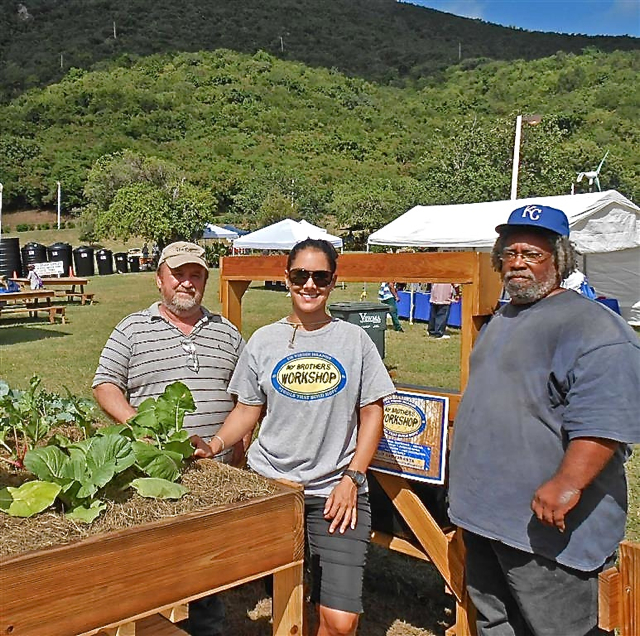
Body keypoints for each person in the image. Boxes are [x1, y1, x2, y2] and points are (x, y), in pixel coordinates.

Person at [448, 204, 640, 636]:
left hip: (545, 531)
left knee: (558, 629)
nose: (517, 262)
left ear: (560, 259)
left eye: (532, 254)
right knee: (496, 624)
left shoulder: (594, 327)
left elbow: (605, 420)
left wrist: (567, 482)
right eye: (510, 252)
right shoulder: (504, 319)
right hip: (483, 517)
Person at [196, 238, 395, 636]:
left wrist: (353, 478)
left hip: (335, 492)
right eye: (300, 275)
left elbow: (373, 411)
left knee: (340, 622)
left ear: (333, 281)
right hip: (271, 487)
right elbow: (249, 408)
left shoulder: (354, 341)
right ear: (285, 279)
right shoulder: (264, 341)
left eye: (319, 276)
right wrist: (215, 445)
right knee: (285, 601)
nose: (309, 284)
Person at [92, 240, 246, 636]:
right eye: (178, 275)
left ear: (205, 281)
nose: (186, 283)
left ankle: (206, 628)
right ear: (159, 279)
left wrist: (235, 452)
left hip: (213, 471)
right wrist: (139, 425)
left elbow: (244, 399)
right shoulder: (132, 328)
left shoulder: (227, 333)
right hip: (153, 474)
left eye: (195, 275)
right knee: (152, 566)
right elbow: (105, 385)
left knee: (208, 568)